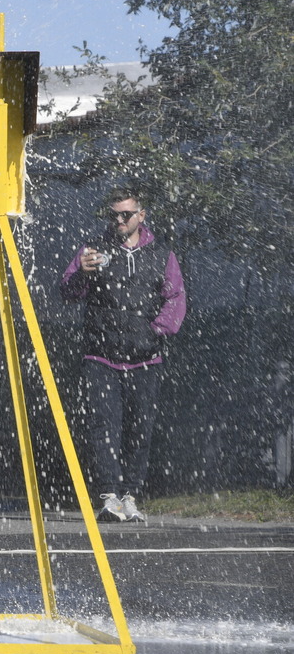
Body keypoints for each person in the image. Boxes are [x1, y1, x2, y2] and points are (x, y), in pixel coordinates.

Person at [60, 189, 186, 524]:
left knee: (139, 430)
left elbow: (175, 296)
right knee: (104, 427)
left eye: (125, 215)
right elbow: (68, 292)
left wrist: (157, 330)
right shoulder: (93, 250)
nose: (118, 220)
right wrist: (81, 274)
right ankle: (109, 497)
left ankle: (130, 496)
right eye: (113, 214)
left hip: (146, 357)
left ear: (141, 216)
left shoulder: (161, 252)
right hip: (100, 356)